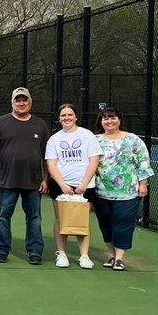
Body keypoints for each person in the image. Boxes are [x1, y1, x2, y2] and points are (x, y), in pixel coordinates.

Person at [0, 87, 50, 264]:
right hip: (6, 181)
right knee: (2, 217)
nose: (21, 103)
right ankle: (2, 250)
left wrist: (45, 179)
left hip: (33, 182)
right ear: (12, 103)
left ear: (30, 102)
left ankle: (35, 252)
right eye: (18, 100)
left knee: (34, 218)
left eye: (24, 100)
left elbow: (48, 156)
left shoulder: (41, 125)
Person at [93, 107, 155, 271]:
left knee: (122, 223)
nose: (109, 121)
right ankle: (111, 255)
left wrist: (143, 184)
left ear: (119, 119)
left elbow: (143, 161)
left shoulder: (132, 140)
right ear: (101, 121)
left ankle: (119, 258)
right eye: (105, 118)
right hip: (101, 191)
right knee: (105, 224)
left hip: (127, 192)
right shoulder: (95, 140)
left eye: (112, 118)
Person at [45, 103, 102, 269]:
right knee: (61, 219)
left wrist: (84, 183)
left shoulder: (87, 135)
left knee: (82, 220)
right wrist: (62, 184)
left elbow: (94, 160)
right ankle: (61, 254)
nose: (66, 118)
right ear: (59, 118)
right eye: (63, 115)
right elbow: (52, 164)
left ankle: (84, 256)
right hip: (61, 187)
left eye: (70, 115)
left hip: (85, 186)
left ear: (76, 117)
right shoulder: (54, 139)